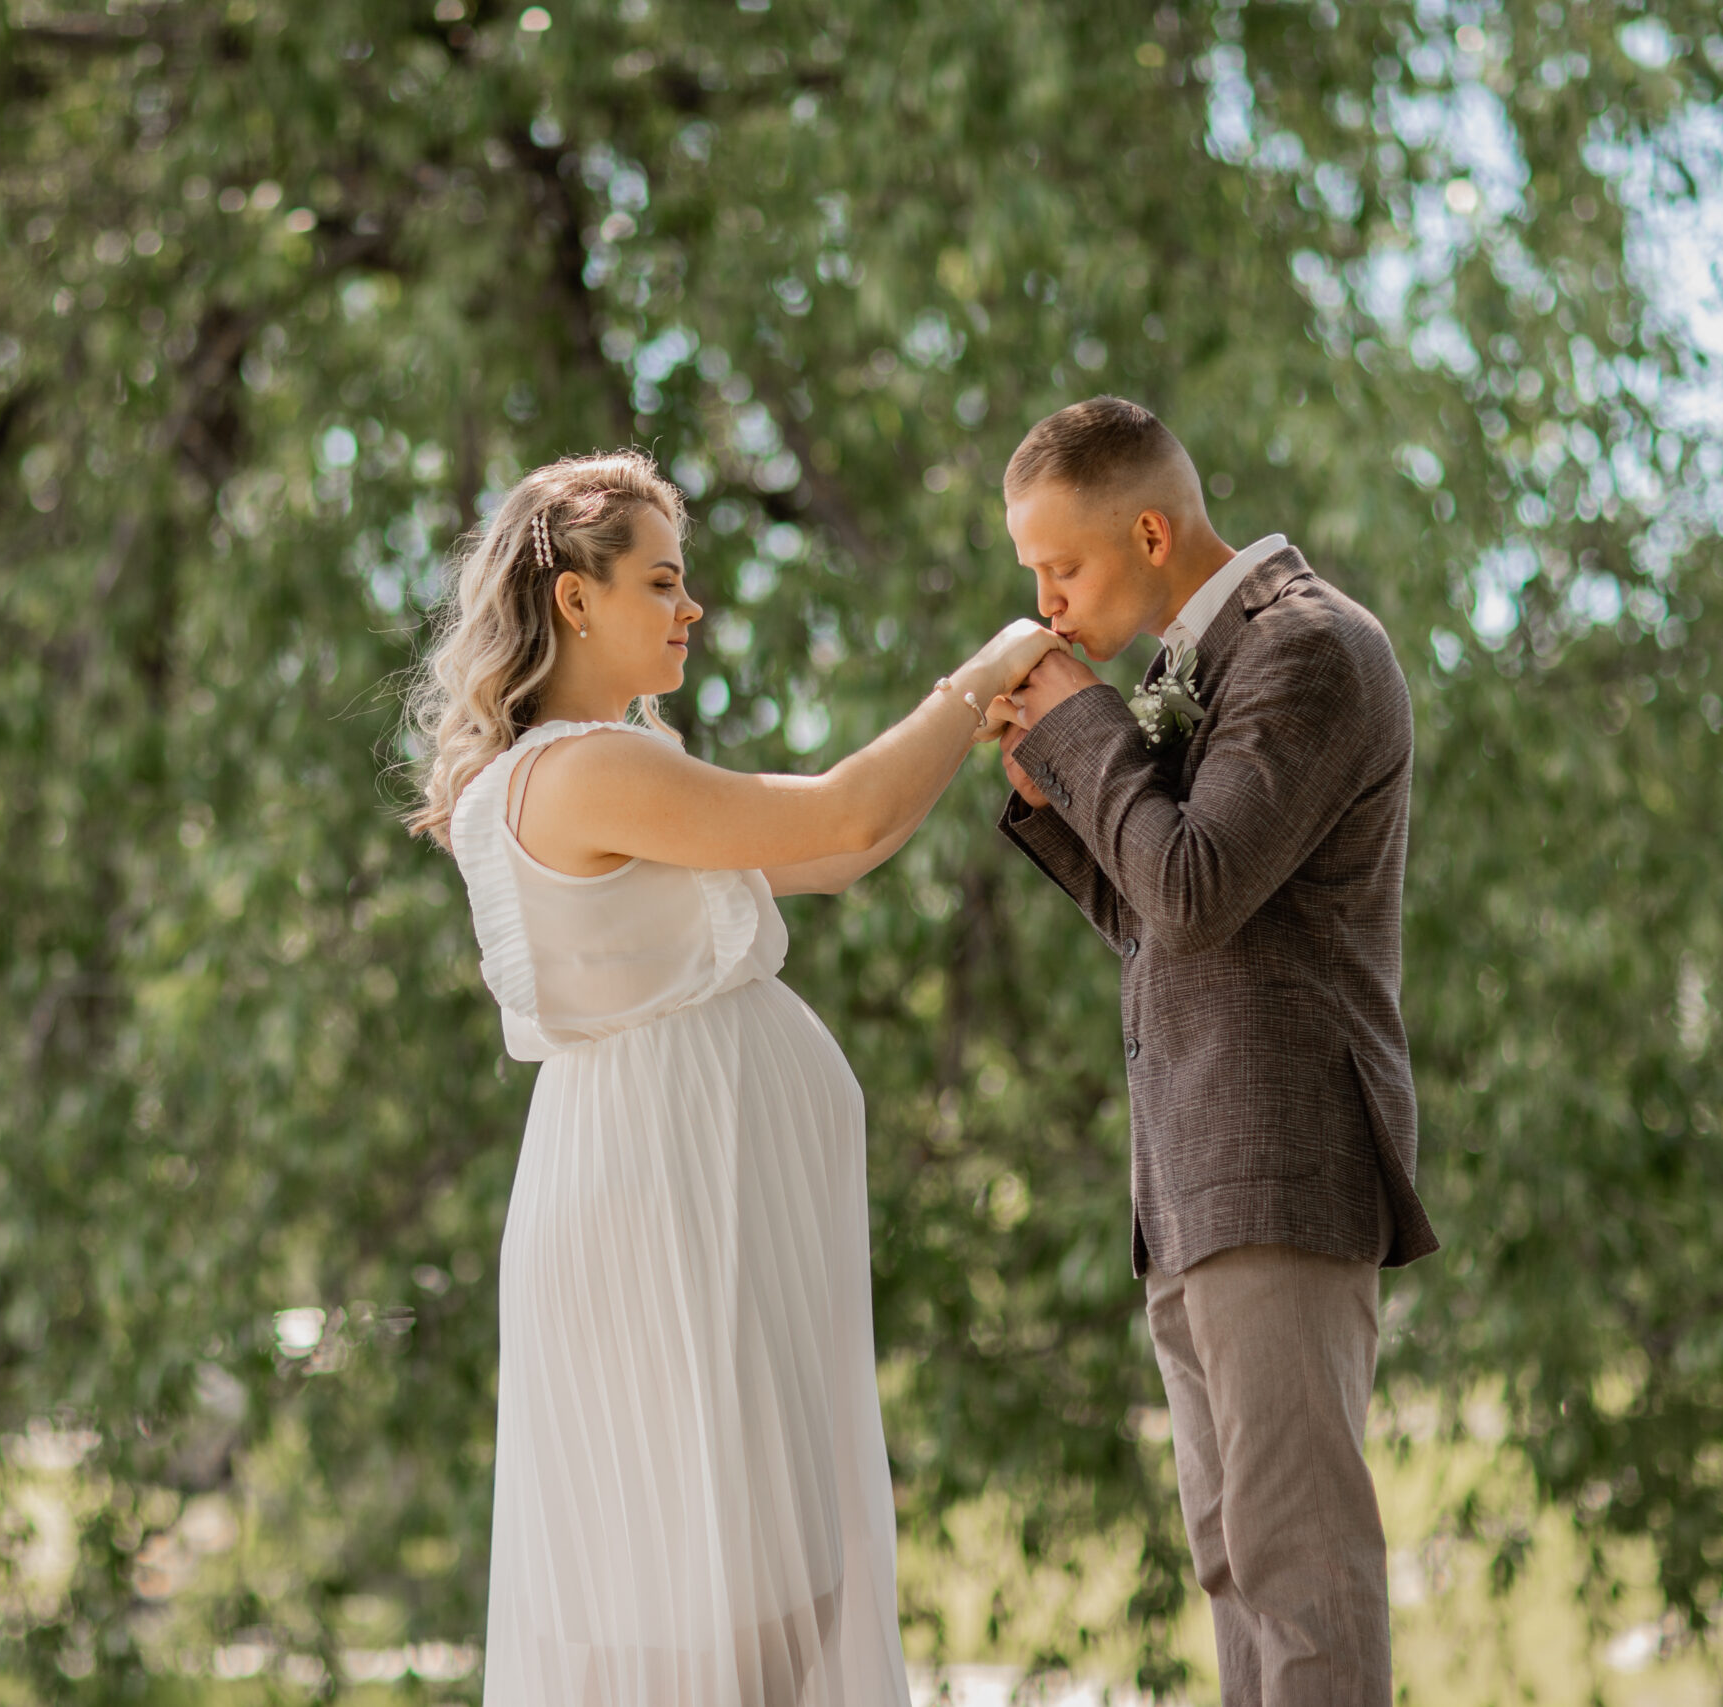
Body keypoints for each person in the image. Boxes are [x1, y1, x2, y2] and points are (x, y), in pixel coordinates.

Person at [401, 448, 1059, 1707]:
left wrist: (983, 724)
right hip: (669, 1201)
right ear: (575, 600)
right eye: (661, 580)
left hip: (692, 1194)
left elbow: (832, 851)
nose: (689, 607)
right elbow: (841, 819)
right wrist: (983, 674)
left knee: (756, 1590)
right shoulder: (584, 767)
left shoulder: (609, 766)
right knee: (718, 1595)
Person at [988, 397, 1440, 1707]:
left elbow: (1193, 884)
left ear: (1147, 530)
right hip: (1190, 1184)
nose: (1046, 601)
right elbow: (1163, 928)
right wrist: (1057, 794)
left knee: (1301, 1565)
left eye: (1059, 567)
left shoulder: (1309, 648)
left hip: (1281, 1164)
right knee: (1237, 1565)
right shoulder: (1200, 666)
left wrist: (1084, 733)